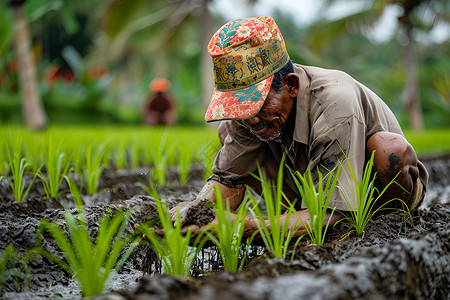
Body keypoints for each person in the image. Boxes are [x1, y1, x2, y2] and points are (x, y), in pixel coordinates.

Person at [171, 16, 428, 238]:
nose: (250, 120)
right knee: (228, 131)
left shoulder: (335, 104)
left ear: (291, 86)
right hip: (308, 183)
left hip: (375, 190)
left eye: (258, 106)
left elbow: (334, 214)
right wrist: (195, 211)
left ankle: (376, 228)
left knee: (387, 150)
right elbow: (228, 181)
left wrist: (245, 226)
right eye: (242, 110)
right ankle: (294, 221)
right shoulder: (247, 117)